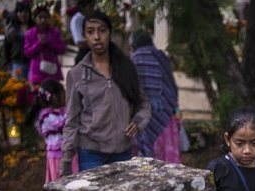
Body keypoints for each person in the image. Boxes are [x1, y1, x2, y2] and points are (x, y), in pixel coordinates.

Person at [60, 11, 151, 176]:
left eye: (102, 30)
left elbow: (144, 104)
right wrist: (66, 161)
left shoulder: (126, 68)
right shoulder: (76, 74)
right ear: (84, 36)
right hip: (91, 154)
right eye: (90, 31)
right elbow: (71, 121)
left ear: (110, 33)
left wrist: (138, 121)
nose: (96, 36)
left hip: (123, 152)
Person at [130, 30, 181, 164]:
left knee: (147, 155)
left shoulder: (134, 59)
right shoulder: (160, 56)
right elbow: (171, 85)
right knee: (166, 154)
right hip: (165, 113)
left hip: (143, 115)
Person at [25, 79, 78, 183]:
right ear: (53, 97)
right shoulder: (45, 116)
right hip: (57, 156)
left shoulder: (64, 110)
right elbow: (66, 125)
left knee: (75, 181)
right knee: (60, 182)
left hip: (71, 152)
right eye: (63, 94)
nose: (65, 96)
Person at [23, 5, 67, 86]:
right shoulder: (30, 33)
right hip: (37, 75)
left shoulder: (55, 32)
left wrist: (49, 42)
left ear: (49, 19)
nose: (43, 20)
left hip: (53, 74)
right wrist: (39, 43)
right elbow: (27, 52)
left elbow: (62, 49)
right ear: (35, 19)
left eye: (46, 17)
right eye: (40, 17)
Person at [3, 1, 33, 79]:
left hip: (33, 64)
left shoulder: (34, 28)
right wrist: (7, 65)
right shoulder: (11, 29)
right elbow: (6, 48)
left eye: (26, 12)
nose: (23, 14)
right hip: (17, 63)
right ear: (16, 13)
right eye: (20, 12)